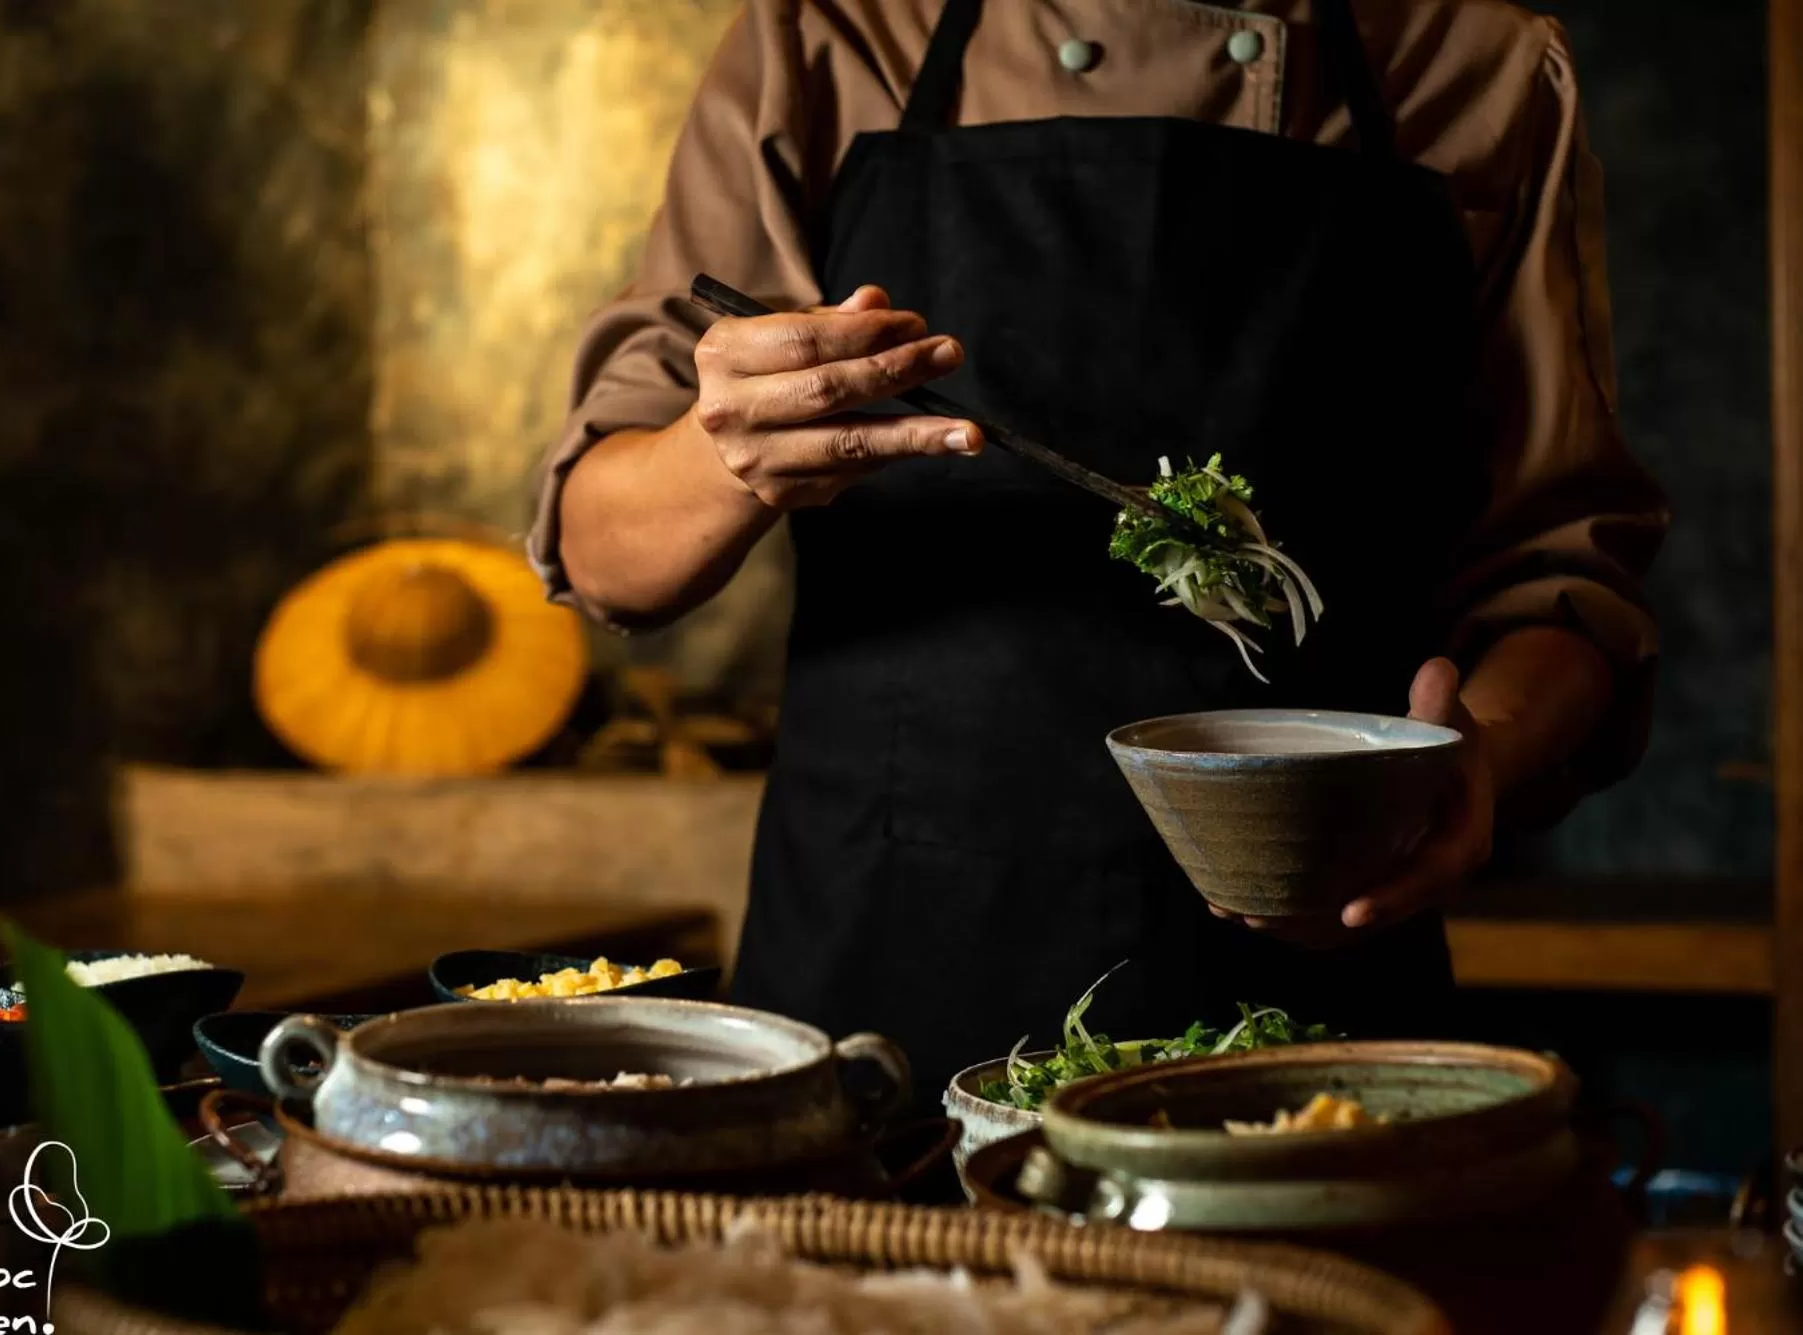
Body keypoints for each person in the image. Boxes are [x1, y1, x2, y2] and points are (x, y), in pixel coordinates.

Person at [531, 0, 1668, 1105]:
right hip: (891, 976)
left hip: (1319, 980)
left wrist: (1479, 758)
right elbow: (600, 550)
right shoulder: (829, 34)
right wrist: (719, 454)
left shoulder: (1474, 60)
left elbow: (1559, 579)